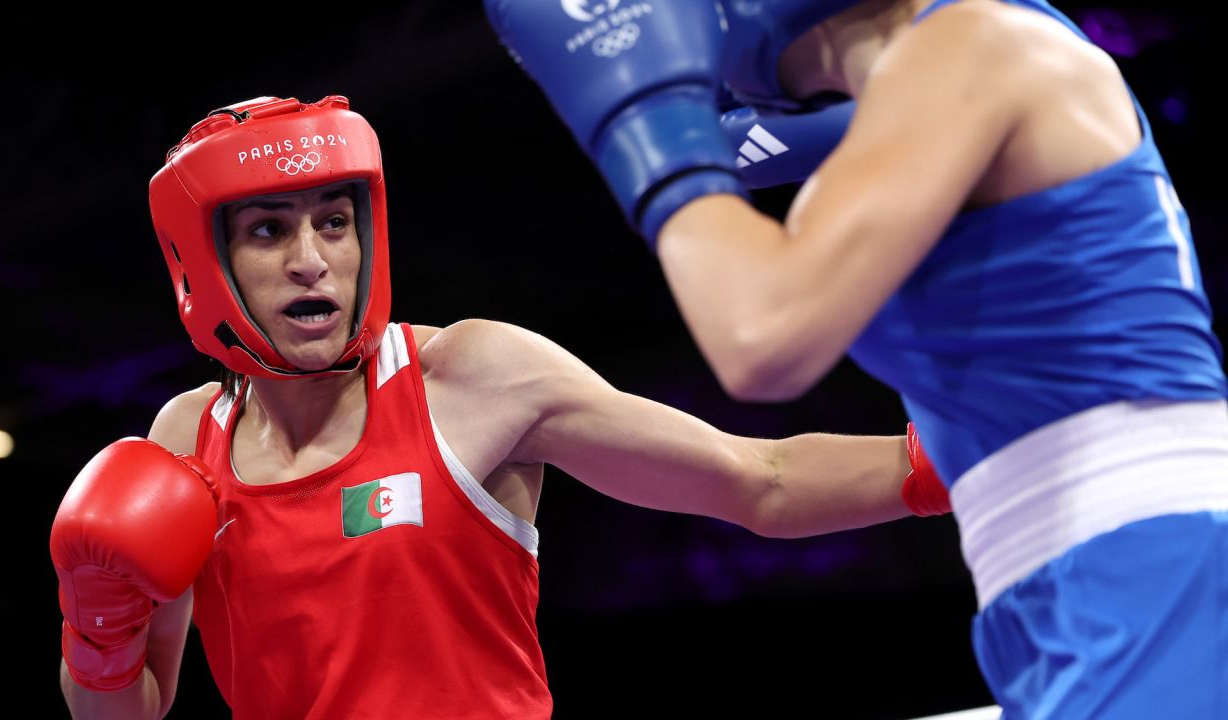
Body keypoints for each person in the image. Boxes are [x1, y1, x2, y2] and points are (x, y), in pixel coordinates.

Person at [49, 95, 948, 719]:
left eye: (334, 220)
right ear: (203, 262)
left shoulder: (473, 376)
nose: (314, 260)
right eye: (268, 229)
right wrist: (98, 631)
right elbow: (124, 713)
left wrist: (955, 460)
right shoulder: (182, 442)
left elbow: (761, 480)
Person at [485, 0, 1228, 716]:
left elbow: (759, 337)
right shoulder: (923, 93)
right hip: (1053, 580)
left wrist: (645, 116)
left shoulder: (975, 42)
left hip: (1151, 553)